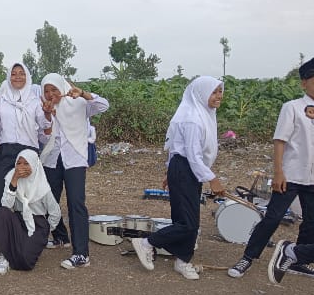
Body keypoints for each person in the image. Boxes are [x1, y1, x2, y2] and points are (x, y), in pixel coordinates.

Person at [131, 76, 225, 280]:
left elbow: (177, 148)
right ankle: (147, 242)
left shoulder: (203, 113)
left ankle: (183, 260)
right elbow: (192, 154)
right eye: (214, 91)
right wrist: (212, 178)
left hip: (185, 169)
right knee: (188, 223)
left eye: (220, 91)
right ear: (201, 93)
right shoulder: (192, 118)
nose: (219, 96)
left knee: (186, 218)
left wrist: (169, 172)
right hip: (186, 168)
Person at [228, 58, 314, 278]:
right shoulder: (292, 108)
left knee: (311, 221)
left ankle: (296, 260)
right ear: (304, 83)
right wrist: (278, 172)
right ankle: (247, 257)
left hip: (312, 178)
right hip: (291, 175)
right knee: (273, 218)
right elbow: (280, 141)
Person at [39, 74, 109, 268]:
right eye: (47, 90)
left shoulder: (77, 102)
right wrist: (47, 115)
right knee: (49, 199)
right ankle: (58, 237)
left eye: (54, 89)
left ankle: (81, 253)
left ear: (62, 86)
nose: (51, 94)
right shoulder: (45, 107)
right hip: (53, 159)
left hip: (75, 158)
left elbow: (103, 105)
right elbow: (44, 137)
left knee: (76, 203)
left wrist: (84, 93)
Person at [0, 63, 53, 212]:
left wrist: (47, 113)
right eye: (14, 73)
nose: (17, 77)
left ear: (27, 76)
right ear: (9, 77)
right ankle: (3, 229)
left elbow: (43, 124)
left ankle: (28, 231)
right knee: (0, 194)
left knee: (28, 195)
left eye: (21, 73)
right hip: (6, 151)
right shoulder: (1, 100)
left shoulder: (35, 101)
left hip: (29, 151)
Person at [0, 149, 61, 274]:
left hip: (37, 225)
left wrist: (45, 231)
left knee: (25, 262)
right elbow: (6, 205)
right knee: (2, 212)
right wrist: (14, 180)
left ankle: (17, 251)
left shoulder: (42, 186)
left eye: (26, 163)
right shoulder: (11, 177)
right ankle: (4, 256)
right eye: (19, 163)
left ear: (34, 164)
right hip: (18, 221)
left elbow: (55, 212)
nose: (21, 167)